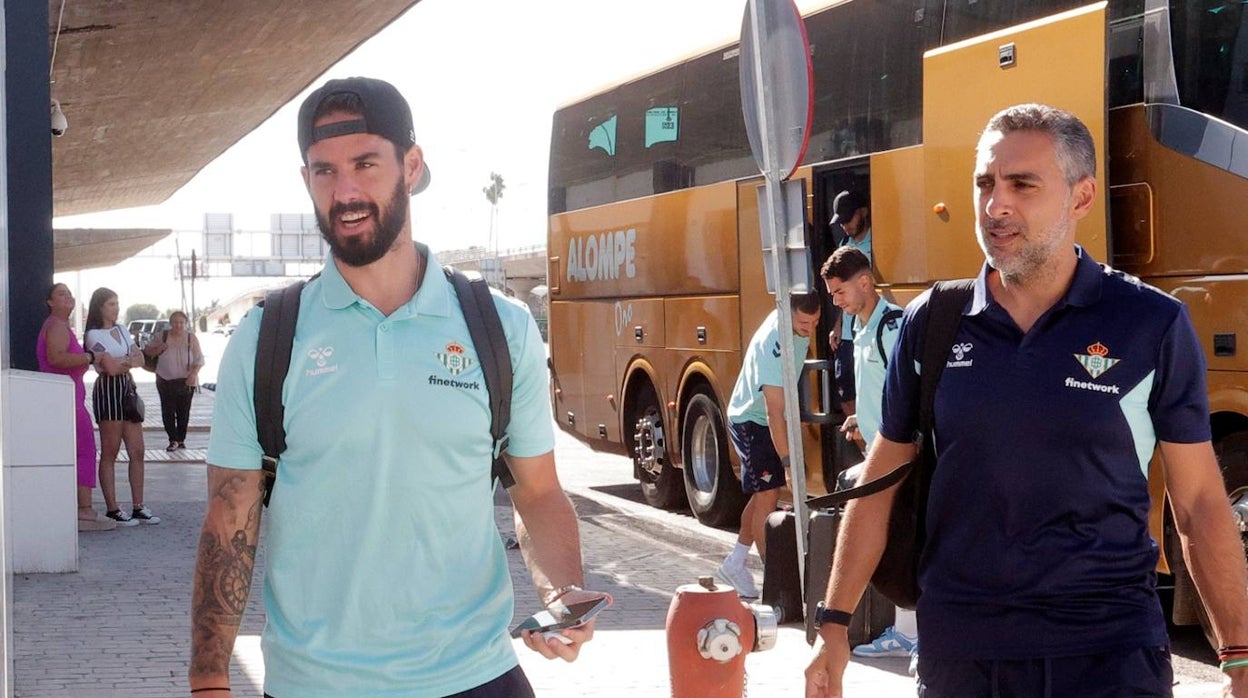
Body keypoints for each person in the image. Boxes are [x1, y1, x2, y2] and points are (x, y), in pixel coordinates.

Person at [804, 104, 1248, 697]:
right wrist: (833, 624)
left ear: (1082, 197)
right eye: (985, 183)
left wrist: (1238, 655)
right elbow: (881, 481)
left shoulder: (1151, 323)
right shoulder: (933, 322)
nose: (995, 205)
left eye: (1022, 184)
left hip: (1110, 658)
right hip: (963, 657)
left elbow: (1198, 505)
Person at [189, 76, 597, 697]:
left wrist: (560, 592)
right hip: (315, 685)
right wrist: (209, 679)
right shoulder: (267, 337)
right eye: (324, 171)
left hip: (477, 676)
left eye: (365, 164)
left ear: (411, 165)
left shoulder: (499, 328)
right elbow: (229, 516)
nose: (345, 191)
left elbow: (537, 494)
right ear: (306, 181)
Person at [820, 247, 915, 660]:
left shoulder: (891, 326)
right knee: (894, 537)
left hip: (898, 454)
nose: (835, 301)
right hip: (880, 448)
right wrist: (862, 417)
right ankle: (907, 630)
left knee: (900, 539)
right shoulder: (860, 328)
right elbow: (880, 387)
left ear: (864, 282)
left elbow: (909, 386)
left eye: (840, 292)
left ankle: (909, 633)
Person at [716, 292, 821, 598]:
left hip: (764, 418)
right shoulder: (774, 344)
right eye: (804, 322)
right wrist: (788, 461)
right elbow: (774, 410)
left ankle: (734, 563)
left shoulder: (794, 323)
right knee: (768, 495)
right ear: (789, 315)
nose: (809, 329)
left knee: (764, 496)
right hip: (753, 420)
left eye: (815, 322)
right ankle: (773, 582)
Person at [37, 283, 118, 532]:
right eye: (61, 294)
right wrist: (91, 357)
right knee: (85, 450)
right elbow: (56, 357)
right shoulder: (57, 326)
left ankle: (79, 506)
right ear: (50, 302)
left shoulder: (59, 325)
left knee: (78, 450)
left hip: (67, 398)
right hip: (66, 400)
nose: (69, 297)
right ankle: (84, 509)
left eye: (70, 293)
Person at [83, 288, 160, 526]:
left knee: (137, 450)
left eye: (117, 303)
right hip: (108, 390)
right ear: (100, 307)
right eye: (111, 304)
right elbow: (110, 368)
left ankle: (138, 505)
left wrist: (122, 361)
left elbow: (141, 359)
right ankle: (113, 508)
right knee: (110, 450)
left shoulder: (124, 330)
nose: (116, 308)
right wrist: (127, 361)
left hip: (127, 389)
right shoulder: (93, 335)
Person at [826, 190, 872, 419]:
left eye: (848, 219)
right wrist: (838, 325)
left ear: (863, 211)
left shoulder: (877, 241)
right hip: (846, 334)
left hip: (867, 328)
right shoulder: (844, 244)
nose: (845, 225)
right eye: (840, 221)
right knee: (845, 391)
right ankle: (865, 447)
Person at [142, 310, 203, 451]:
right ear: (170, 324)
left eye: (181, 322)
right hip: (165, 379)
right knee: (168, 411)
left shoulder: (191, 338)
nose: (178, 325)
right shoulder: (162, 336)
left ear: (185, 324)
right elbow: (147, 351)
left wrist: (193, 374)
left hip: (186, 380)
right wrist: (158, 349)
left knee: (184, 411)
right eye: (175, 322)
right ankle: (172, 439)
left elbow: (199, 359)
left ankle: (181, 439)